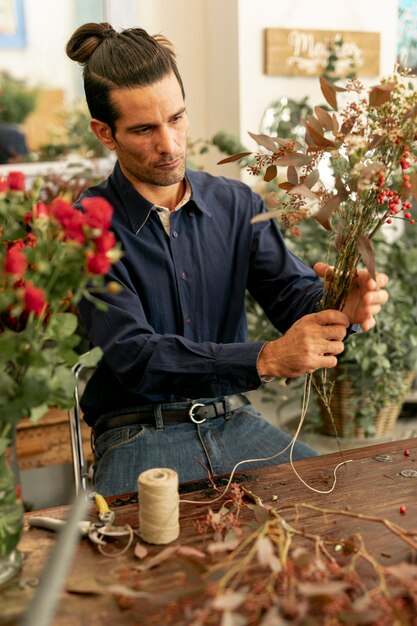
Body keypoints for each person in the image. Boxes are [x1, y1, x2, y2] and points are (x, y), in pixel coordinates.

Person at [66, 22, 389, 497]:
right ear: (104, 133)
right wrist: (265, 358)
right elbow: (136, 356)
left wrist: (343, 304)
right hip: (139, 438)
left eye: (177, 119)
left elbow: (289, 295)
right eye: (144, 129)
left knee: (345, 503)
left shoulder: (237, 204)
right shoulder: (87, 225)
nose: (170, 145)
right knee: (140, 565)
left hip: (237, 421)